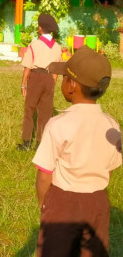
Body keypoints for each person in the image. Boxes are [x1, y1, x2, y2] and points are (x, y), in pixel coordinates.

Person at [33, 46, 122, 256]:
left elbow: (45, 174)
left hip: (63, 202)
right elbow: (109, 169)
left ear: (71, 85)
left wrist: (44, 203)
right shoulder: (112, 126)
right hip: (98, 201)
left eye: (64, 77)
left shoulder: (58, 124)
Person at [17, 13, 62, 150]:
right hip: (49, 78)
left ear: (40, 29)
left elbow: (28, 66)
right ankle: (40, 143)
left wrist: (23, 84)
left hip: (36, 77)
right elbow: (56, 70)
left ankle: (26, 142)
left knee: (29, 109)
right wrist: (52, 83)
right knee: (45, 112)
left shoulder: (34, 44)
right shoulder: (57, 47)